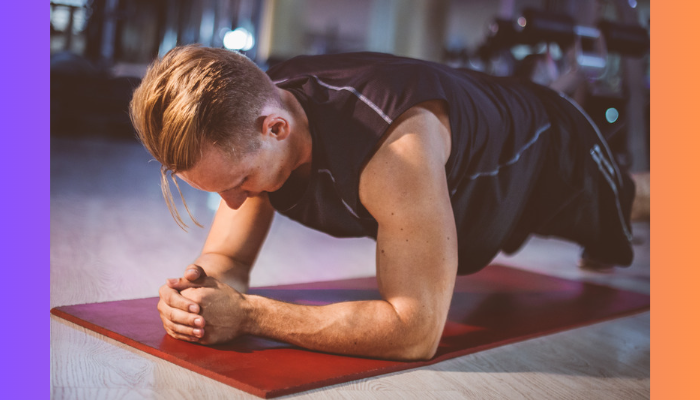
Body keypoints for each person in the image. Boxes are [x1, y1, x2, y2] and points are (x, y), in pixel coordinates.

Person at [129, 45, 646, 361]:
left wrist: (247, 316)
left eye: (239, 180)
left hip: (544, 144)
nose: (234, 202)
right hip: (473, 175)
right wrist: (196, 296)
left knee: (632, 205)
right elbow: (229, 261)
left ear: (277, 128)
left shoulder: (391, 150)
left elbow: (415, 331)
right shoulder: (254, 122)